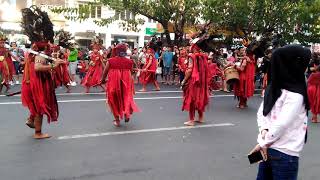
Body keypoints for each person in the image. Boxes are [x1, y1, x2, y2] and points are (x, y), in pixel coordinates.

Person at [251, 45, 310, 180]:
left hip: (267, 148)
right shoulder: (296, 94)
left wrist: (263, 136)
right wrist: (263, 144)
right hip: (285, 153)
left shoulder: (273, 87)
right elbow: (282, 124)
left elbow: (262, 114)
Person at [21, 42, 64, 139]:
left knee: (37, 106)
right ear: (44, 47)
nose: (50, 47)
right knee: (40, 107)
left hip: (31, 83)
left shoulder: (34, 54)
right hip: (36, 84)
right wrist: (54, 66)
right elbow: (37, 67)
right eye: (48, 46)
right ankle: (38, 133)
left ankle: (31, 120)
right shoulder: (40, 55)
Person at [100, 43, 140, 127]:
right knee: (125, 98)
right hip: (126, 83)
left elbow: (105, 72)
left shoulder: (111, 61)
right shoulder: (129, 61)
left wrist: (102, 80)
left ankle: (117, 120)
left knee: (113, 100)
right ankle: (126, 114)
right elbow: (132, 72)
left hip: (114, 84)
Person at [181, 44, 209, 126]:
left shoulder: (192, 57)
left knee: (191, 100)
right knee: (200, 98)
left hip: (193, 81)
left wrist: (184, 80)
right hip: (202, 81)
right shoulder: (203, 56)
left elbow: (189, 70)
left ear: (193, 48)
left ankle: (191, 120)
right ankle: (200, 118)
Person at [307, 52, 320, 123]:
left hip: (312, 89)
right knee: (317, 104)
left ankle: (314, 118)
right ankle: (315, 118)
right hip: (318, 89)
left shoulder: (313, 75)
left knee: (313, 104)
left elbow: (309, 81)